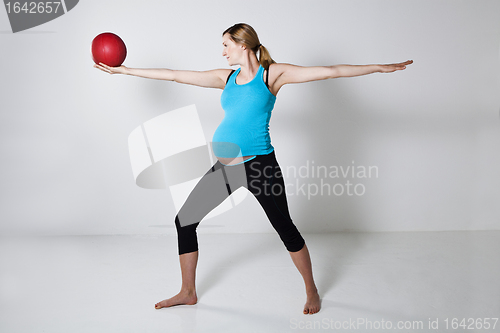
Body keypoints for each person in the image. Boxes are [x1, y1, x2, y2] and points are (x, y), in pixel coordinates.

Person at [94, 23, 412, 315]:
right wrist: (126, 71)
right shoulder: (225, 78)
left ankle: (312, 291)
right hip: (226, 167)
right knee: (184, 220)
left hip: (261, 167)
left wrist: (378, 68)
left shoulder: (272, 75)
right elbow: (177, 74)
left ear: (243, 44)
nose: (222, 51)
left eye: (226, 44)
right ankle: (188, 291)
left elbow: (329, 71)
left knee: (286, 230)